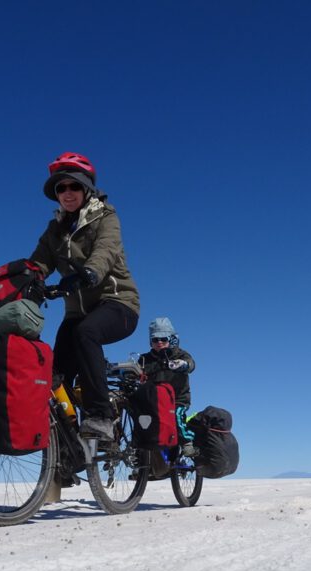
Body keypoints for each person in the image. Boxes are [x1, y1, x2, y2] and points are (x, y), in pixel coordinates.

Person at [29, 152, 140, 440]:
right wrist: (22, 280)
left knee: (86, 333)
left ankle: (100, 415)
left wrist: (88, 273)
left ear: (86, 188)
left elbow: (105, 251)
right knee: (54, 374)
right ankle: (64, 447)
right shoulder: (55, 230)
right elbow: (39, 262)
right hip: (77, 315)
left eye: (73, 186)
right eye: (60, 188)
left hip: (118, 305)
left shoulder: (106, 217)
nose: (67, 193)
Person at [138, 317, 197, 455]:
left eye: (163, 339)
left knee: (176, 418)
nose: (159, 342)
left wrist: (183, 364)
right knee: (143, 423)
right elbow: (138, 371)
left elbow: (191, 364)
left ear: (171, 339)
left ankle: (187, 442)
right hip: (155, 401)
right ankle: (141, 457)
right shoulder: (145, 359)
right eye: (155, 339)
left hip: (177, 398)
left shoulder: (180, 354)